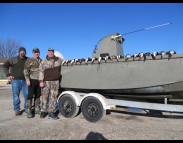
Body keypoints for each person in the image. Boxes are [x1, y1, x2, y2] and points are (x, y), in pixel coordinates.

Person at [3, 47, 28, 116]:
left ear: (25, 52)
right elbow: (5, 66)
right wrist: (8, 75)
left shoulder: (28, 60)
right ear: (19, 52)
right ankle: (17, 109)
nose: (23, 52)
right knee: (16, 96)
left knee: (27, 95)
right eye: (21, 51)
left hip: (25, 81)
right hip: (15, 80)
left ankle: (26, 108)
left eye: (24, 51)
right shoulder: (14, 59)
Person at [39, 48, 62, 120]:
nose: (51, 53)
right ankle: (43, 111)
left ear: (53, 52)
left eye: (52, 52)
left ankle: (51, 113)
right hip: (46, 81)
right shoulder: (43, 61)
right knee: (44, 96)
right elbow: (40, 71)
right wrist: (41, 81)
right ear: (48, 53)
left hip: (55, 82)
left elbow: (65, 65)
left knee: (53, 97)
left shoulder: (59, 60)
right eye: (49, 52)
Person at [24, 48, 42, 118]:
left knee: (38, 95)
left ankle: (37, 108)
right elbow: (25, 70)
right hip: (32, 80)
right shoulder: (29, 60)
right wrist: (27, 79)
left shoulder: (41, 60)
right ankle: (29, 110)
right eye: (35, 52)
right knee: (30, 95)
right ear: (33, 53)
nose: (36, 53)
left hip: (39, 80)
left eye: (37, 52)